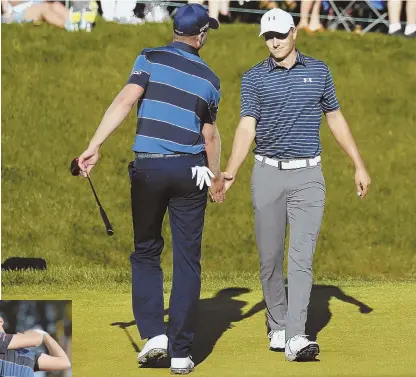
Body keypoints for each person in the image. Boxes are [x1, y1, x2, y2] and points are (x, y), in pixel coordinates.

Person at [76, 3, 224, 374]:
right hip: (192, 172)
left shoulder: (149, 58)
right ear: (201, 35)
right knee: (187, 259)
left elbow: (126, 100)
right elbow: (209, 137)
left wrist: (94, 145)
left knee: (146, 252)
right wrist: (216, 178)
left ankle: (155, 336)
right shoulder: (210, 79)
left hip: (150, 168)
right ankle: (180, 354)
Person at [221, 8, 371, 362]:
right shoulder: (254, 77)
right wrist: (231, 170)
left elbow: (334, 117)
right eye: (268, 36)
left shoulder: (318, 71)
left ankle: (296, 335)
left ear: (294, 33)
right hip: (267, 173)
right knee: (270, 259)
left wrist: (358, 164)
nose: (274, 41)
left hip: (309, 177)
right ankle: (277, 324)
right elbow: (246, 126)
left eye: (280, 34)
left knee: (300, 259)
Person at [0, 317, 71, 376]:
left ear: (1, 320)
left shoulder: (29, 355)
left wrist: (46, 336)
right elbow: (36, 340)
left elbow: (64, 362)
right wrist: (40, 333)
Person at [1, 0, 78, 30]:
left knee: (55, 5)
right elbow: (8, 5)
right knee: (44, 11)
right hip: (18, 12)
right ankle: (69, 26)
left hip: (32, 4)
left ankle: (77, 19)